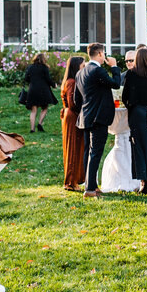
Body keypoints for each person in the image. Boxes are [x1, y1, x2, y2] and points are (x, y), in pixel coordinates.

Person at [76, 44, 122, 198]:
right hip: (98, 117)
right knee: (95, 152)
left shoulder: (80, 72)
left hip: (86, 116)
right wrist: (115, 67)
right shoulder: (97, 70)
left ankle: (92, 185)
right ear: (100, 54)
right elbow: (115, 83)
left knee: (88, 152)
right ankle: (89, 189)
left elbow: (77, 99)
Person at [122, 48, 147, 195]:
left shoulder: (131, 74)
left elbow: (125, 95)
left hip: (137, 113)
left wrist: (130, 106)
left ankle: (143, 181)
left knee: (138, 147)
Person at [59, 56, 86, 191]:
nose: (84, 67)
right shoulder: (72, 82)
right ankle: (70, 182)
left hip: (70, 115)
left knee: (75, 148)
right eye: (83, 65)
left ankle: (74, 179)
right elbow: (73, 102)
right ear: (77, 67)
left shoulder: (70, 81)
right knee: (73, 149)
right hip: (72, 117)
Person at [22, 53, 57, 133]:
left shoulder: (30, 67)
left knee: (33, 110)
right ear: (43, 59)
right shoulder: (44, 68)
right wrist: (53, 84)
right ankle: (40, 124)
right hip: (43, 90)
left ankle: (32, 129)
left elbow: (26, 79)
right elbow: (48, 79)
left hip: (33, 90)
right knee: (44, 108)